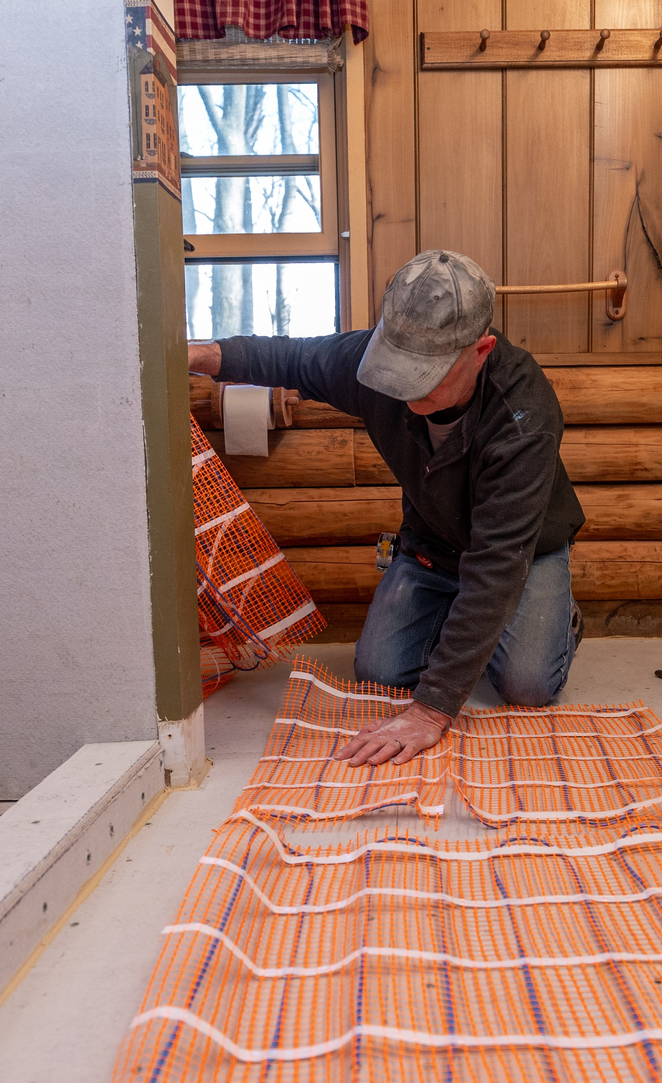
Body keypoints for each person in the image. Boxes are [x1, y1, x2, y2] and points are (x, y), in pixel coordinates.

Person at [187, 249, 584, 767]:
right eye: (397, 362)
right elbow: (293, 358)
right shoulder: (369, 362)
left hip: (523, 554)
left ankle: (561, 621)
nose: (401, 384)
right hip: (433, 545)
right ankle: (459, 622)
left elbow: (497, 565)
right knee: (379, 672)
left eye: (426, 371)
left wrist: (432, 710)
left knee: (526, 685)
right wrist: (201, 355)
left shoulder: (524, 412)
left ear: (481, 350)